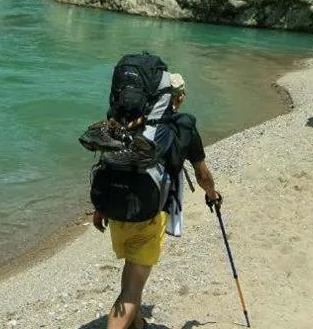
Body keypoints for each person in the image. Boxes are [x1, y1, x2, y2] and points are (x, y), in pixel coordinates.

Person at [92, 72, 221, 329]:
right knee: (131, 288)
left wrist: (99, 207)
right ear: (179, 97)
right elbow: (202, 173)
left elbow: (107, 163)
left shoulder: (126, 121)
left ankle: (137, 324)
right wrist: (212, 194)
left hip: (116, 211)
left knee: (131, 274)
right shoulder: (183, 126)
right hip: (149, 214)